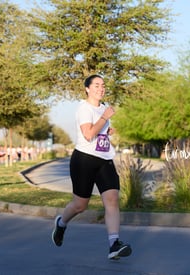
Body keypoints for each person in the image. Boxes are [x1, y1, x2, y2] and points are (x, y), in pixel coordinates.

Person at [51, 74, 132, 260]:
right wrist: (104, 118)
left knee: (112, 198)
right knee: (80, 205)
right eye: (96, 85)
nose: (101, 88)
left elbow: (99, 133)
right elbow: (88, 134)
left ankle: (114, 244)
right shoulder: (84, 109)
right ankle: (61, 223)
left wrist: (107, 130)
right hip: (84, 160)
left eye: (103, 85)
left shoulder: (104, 108)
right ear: (87, 88)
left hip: (104, 159)